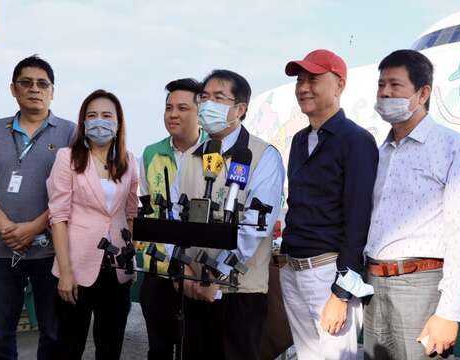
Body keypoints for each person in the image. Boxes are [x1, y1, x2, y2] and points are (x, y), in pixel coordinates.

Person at [170, 69, 285, 360]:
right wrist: (184, 267)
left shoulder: (263, 156)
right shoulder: (193, 155)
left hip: (239, 292)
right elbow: (172, 216)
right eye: (204, 97)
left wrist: (216, 275)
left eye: (219, 98)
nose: (208, 104)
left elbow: (255, 227)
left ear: (240, 109)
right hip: (193, 287)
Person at [363, 49, 460, 360]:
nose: (384, 93)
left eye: (395, 86)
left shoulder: (453, 148)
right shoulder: (378, 153)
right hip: (373, 286)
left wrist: (449, 312)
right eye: (381, 85)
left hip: (421, 286)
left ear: (423, 93)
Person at [279, 49, 378, 360]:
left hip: (329, 275)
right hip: (293, 271)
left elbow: (360, 218)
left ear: (339, 85)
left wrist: (341, 291)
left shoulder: (356, 140)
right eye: (299, 80)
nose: (303, 87)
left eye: (313, 79)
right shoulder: (298, 140)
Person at [0, 55, 75, 359]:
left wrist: (34, 227)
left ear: (52, 91)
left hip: (49, 251)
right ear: (13, 89)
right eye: (26, 83)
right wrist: (4, 226)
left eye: (42, 84)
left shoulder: (70, 133)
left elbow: (75, 193)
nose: (34, 89)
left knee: (53, 333)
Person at [47, 89, 138, 360]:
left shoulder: (129, 160)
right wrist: (65, 272)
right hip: (75, 266)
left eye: (107, 115)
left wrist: (128, 259)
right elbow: (58, 216)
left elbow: (130, 212)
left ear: (118, 122)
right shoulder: (68, 157)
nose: (100, 121)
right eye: (92, 115)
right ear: (83, 122)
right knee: (69, 345)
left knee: (110, 346)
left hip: (117, 267)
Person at [138, 78, 206, 360]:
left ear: (200, 112)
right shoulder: (151, 153)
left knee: (197, 345)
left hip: (199, 272)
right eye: (168, 108)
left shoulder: (215, 152)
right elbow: (144, 207)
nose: (173, 114)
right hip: (159, 268)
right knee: (159, 347)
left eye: (182, 108)